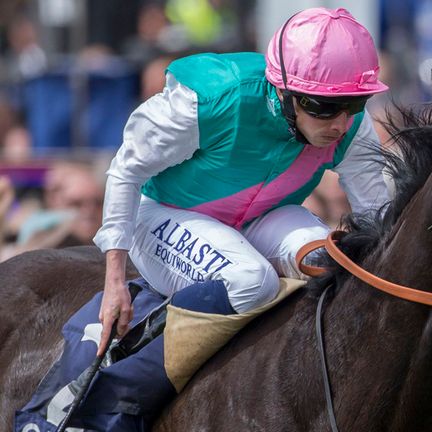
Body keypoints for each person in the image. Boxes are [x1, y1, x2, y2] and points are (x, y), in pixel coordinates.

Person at [15, 7, 390, 431]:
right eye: (323, 108)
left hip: (265, 216)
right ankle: (114, 392)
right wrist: (114, 280)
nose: (341, 124)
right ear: (283, 92)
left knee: (331, 263)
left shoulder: (351, 124)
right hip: (164, 213)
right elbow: (125, 170)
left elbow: (379, 217)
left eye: (354, 105)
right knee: (252, 281)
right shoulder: (211, 99)